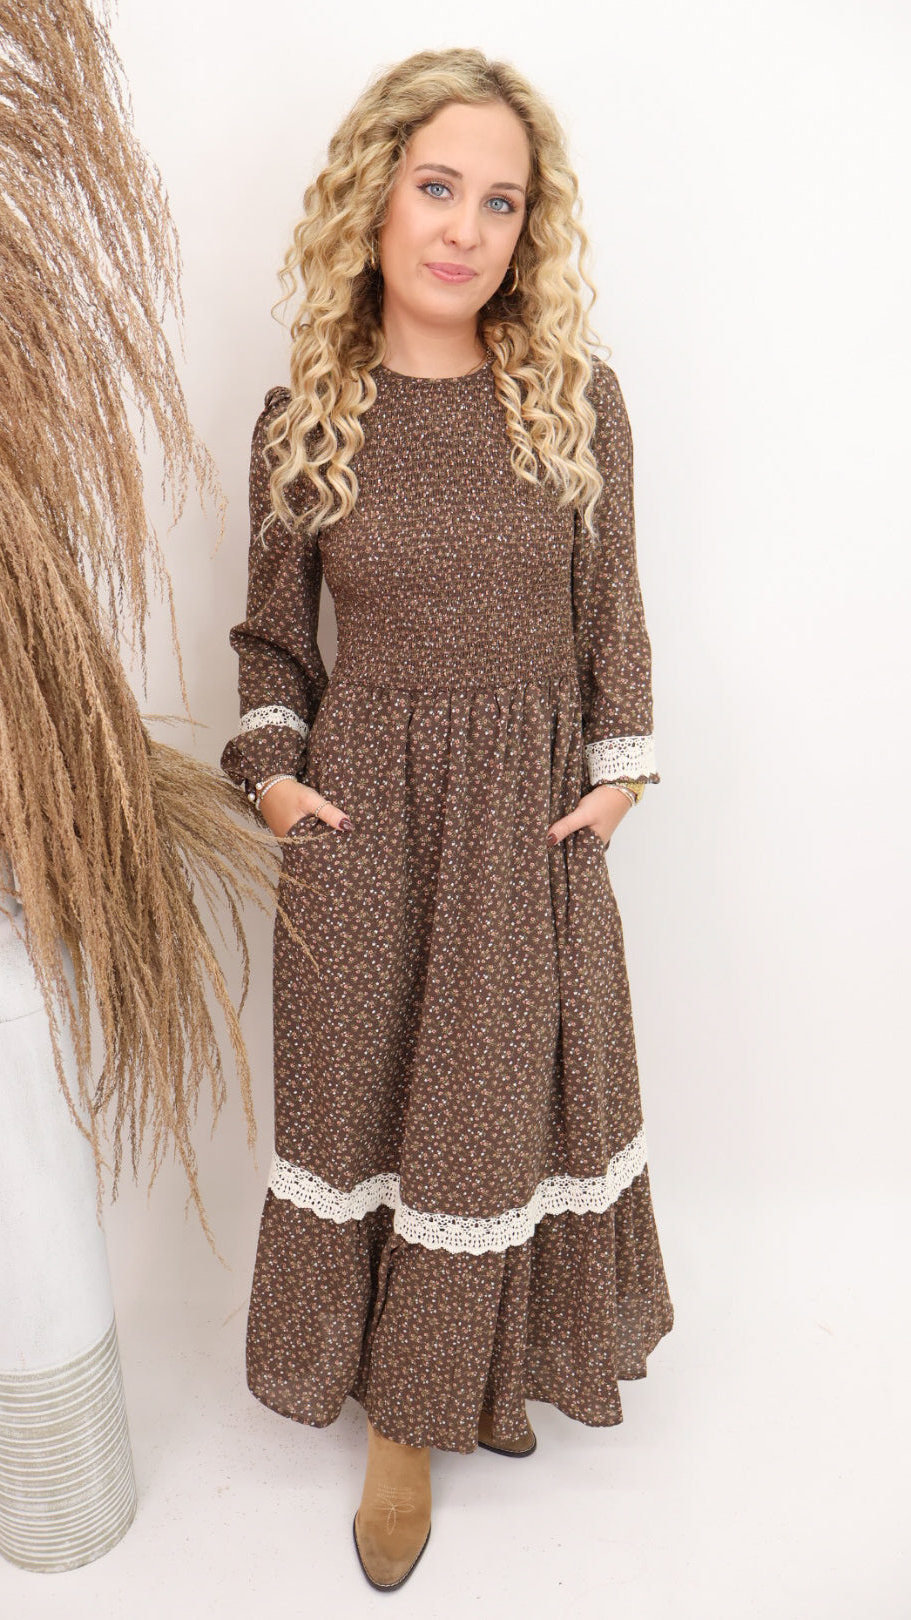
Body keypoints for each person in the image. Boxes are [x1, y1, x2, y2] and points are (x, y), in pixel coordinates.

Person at [219, 46, 674, 1592]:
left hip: (528, 825)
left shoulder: (577, 401)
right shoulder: (306, 419)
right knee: (361, 1118)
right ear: (373, 197)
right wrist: (279, 782)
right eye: (436, 187)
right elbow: (272, 646)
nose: (465, 229)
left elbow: (614, 612)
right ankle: (394, 1421)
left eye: (501, 201)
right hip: (363, 832)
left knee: (489, 1116)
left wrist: (616, 776)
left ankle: (443, 1400)